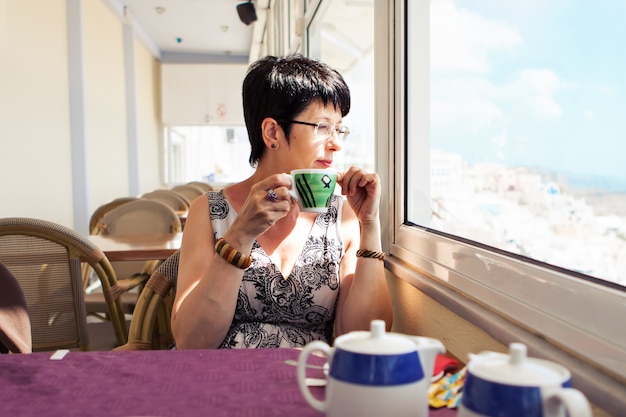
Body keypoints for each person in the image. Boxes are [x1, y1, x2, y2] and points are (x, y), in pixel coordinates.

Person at [171, 54, 392, 349]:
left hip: (310, 384)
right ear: (273, 132)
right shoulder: (210, 211)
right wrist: (239, 235)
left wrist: (369, 224)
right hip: (219, 379)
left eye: (339, 129)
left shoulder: (345, 217)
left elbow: (363, 336)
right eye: (322, 127)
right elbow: (191, 341)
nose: (336, 143)